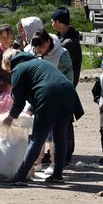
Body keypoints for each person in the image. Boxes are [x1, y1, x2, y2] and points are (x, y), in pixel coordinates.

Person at [2, 49, 84, 184]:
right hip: (68, 94)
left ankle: (20, 176)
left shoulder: (17, 69)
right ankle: (57, 174)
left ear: (9, 63)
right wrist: (30, 110)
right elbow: (44, 84)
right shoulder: (38, 62)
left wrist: (11, 117)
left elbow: (19, 101)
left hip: (49, 97)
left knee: (37, 139)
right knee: (59, 137)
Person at [29, 28, 75, 173]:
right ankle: (36, 162)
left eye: (41, 46)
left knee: (56, 135)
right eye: (36, 47)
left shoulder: (62, 54)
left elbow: (68, 80)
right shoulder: (33, 52)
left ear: (48, 42)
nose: (39, 50)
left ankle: (55, 164)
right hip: (39, 99)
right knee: (36, 133)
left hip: (58, 100)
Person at [51, 7, 82, 87]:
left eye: (52, 22)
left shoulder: (70, 43)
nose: (52, 25)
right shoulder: (60, 38)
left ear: (58, 22)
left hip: (66, 87)